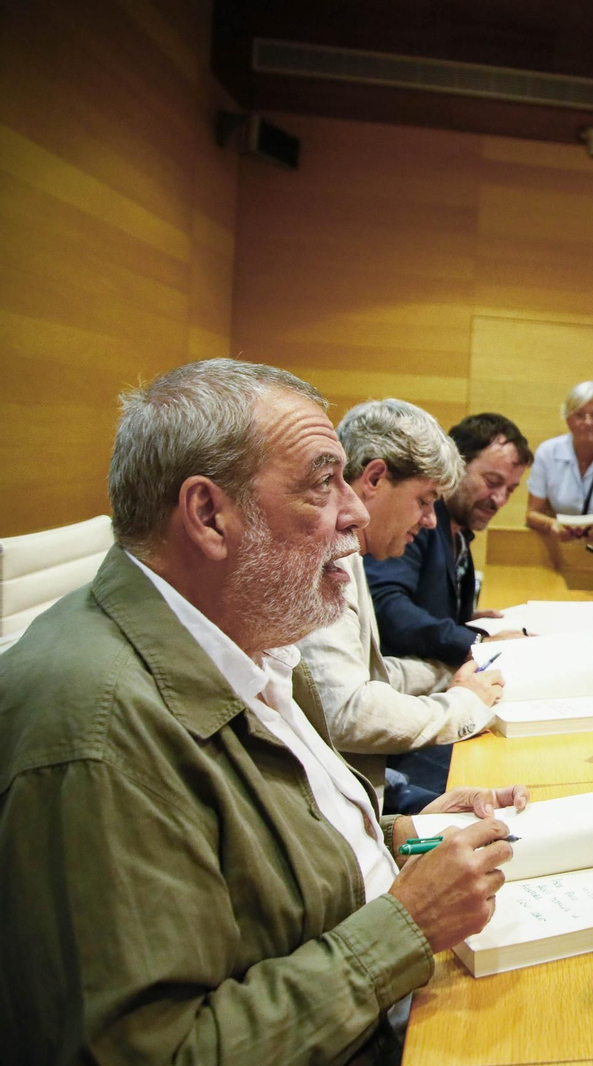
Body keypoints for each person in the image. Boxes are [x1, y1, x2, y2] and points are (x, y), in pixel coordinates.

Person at [0, 359, 525, 1062]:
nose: (357, 511)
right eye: (322, 482)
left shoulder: (249, 642)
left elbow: (252, 866)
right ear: (210, 515)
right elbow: (155, 1050)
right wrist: (405, 924)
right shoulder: (100, 736)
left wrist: (396, 834)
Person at [298, 399, 506, 814]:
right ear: (374, 478)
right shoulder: (320, 550)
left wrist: (446, 673)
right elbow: (344, 712)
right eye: (424, 500)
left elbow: (365, 674)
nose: (430, 520)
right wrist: (464, 705)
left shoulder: (347, 549)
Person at [366, 411, 532, 667]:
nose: (499, 499)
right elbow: (386, 606)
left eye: (510, 490)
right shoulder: (416, 522)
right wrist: (472, 642)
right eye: (492, 482)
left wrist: (465, 622)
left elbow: (424, 604)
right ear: (456, 466)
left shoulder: (460, 533)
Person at [524, 381, 593, 541]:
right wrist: (552, 524)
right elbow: (532, 513)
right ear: (568, 419)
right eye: (579, 415)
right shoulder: (547, 452)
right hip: (555, 544)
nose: (588, 422)